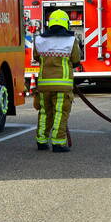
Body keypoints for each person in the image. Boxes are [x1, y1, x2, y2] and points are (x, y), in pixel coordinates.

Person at [33, 9, 82, 152]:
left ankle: (41, 141)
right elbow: (76, 60)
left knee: (44, 113)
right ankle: (58, 143)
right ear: (66, 24)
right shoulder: (71, 40)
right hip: (63, 85)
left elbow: (36, 57)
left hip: (44, 85)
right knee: (60, 114)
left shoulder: (39, 40)